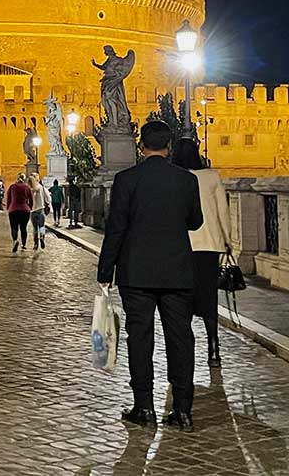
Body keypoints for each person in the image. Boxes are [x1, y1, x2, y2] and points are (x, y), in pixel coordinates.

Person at [97, 120, 204, 430]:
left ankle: (144, 407)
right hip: (177, 271)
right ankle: (182, 410)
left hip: (136, 272)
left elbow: (116, 228)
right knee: (180, 339)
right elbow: (195, 222)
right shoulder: (186, 180)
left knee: (140, 339)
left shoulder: (126, 180)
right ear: (169, 146)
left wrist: (106, 270)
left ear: (141, 146)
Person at [172, 139, 232, 368]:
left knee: (182, 298)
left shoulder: (175, 177)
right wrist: (227, 240)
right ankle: (214, 347)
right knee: (209, 297)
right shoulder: (212, 177)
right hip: (209, 245)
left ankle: (184, 349)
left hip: (182, 246)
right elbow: (222, 212)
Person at [5, 174, 33, 253]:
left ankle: (15, 241)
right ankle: (23, 245)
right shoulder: (27, 187)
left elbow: (9, 198)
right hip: (25, 210)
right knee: (23, 228)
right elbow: (31, 199)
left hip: (13, 209)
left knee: (14, 227)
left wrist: (8, 207)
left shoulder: (12, 187)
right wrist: (30, 207)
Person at [28, 174, 50, 249]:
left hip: (32, 211)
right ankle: (41, 236)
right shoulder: (42, 188)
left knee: (35, 228)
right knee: (41, 226)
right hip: (41, 209)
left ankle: (35, 244)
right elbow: (48, 198)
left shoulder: (30, 189)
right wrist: (47, 203)